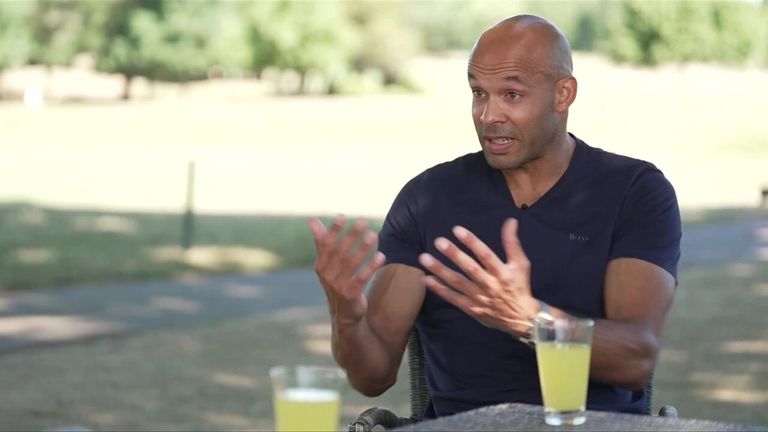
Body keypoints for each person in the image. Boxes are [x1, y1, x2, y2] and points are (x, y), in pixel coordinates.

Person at [308, 14, 681, 418]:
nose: (488, 115)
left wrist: (530, 319)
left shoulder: (634, 192)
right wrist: (347, 314)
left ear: (563, 94)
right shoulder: (428, 200)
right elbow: (373, 376)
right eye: (478, 93)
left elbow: (634, 359)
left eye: (512, 94)